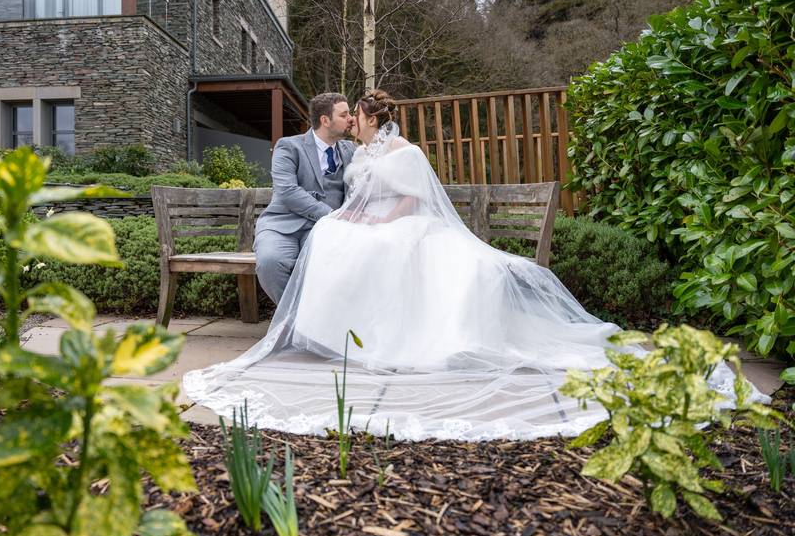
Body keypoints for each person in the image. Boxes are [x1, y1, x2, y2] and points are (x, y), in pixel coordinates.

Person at [184, 89, 754, 442]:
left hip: (402, 226)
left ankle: (375, 336)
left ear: (367, 118)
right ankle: (327, 335)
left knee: (369, 246)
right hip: (319, 226)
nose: (348, 121)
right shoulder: (347, 152)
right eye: (343, 115)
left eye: (353, 114)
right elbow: (336, 196)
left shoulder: (403, 153)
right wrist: (348, 221)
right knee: (340, 244)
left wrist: (368, 222)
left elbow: (405, 200)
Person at [254, 92, 356, 304]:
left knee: (327, 265)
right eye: (344, 115)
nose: (351, 119)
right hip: (282, 225)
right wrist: (332, 215)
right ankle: (295, 323)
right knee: (270, 262)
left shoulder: (350, 149)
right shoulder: (289, 146)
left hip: (324, 232)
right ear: (325, 120)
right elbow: (287, 190)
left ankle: (312, 324)